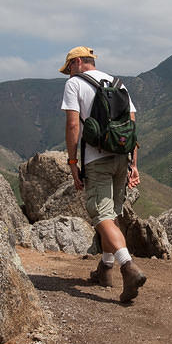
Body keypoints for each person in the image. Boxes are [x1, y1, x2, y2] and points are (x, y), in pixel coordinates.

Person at [60, 46, 146, 304]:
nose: (68, 74)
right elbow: (131, 127)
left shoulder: (75, 84)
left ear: (76, 63)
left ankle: (128, 267)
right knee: (112, 215)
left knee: (101, 215)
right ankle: (105, 270)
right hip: (122, 157)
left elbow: (73, 124)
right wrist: (133, 164)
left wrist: (73, 161)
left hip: (97, 159)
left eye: (68, 69)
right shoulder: (118, 83)